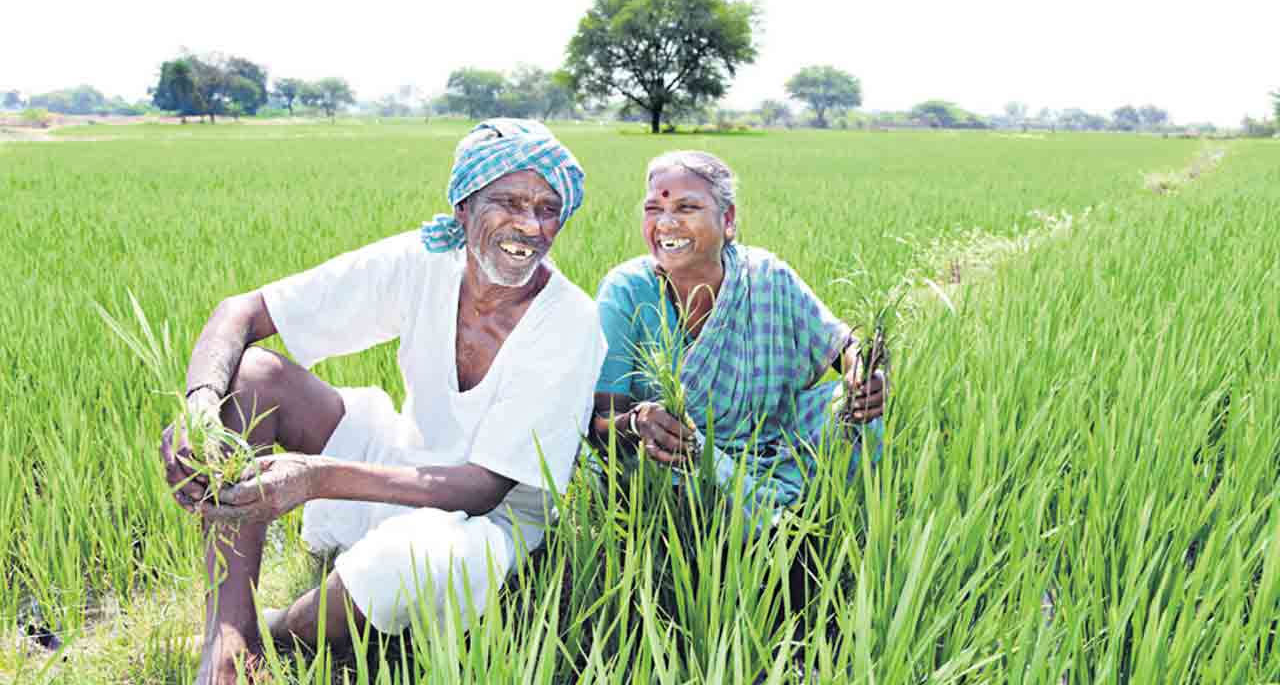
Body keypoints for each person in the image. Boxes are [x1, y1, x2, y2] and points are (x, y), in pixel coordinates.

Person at [161, 119, 605, 685]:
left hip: (490, 523)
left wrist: (315, 479)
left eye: (548, 208)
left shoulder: (569, 322)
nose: (530, 225)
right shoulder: (423, 262)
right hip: (404, 463)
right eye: (509, 202)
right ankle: (225, 634)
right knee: (249, 378)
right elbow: (242, 312)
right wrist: (200, 411)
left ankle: (273, 633)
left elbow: (483, 486)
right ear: (463, 209)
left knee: (417, 558)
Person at [589, 150, 887, 523]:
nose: (665, 223)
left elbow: (845, 347)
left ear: (727, 220)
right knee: (688, 459)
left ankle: (815, 516)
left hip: (772, 441)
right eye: (653, 209)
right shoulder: (627, 291)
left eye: (687, 208)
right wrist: (639, 422)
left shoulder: (765, 275)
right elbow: (597, 422)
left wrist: (865, 377)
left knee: (850, 413)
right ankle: (769, 536)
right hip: (680, 458)